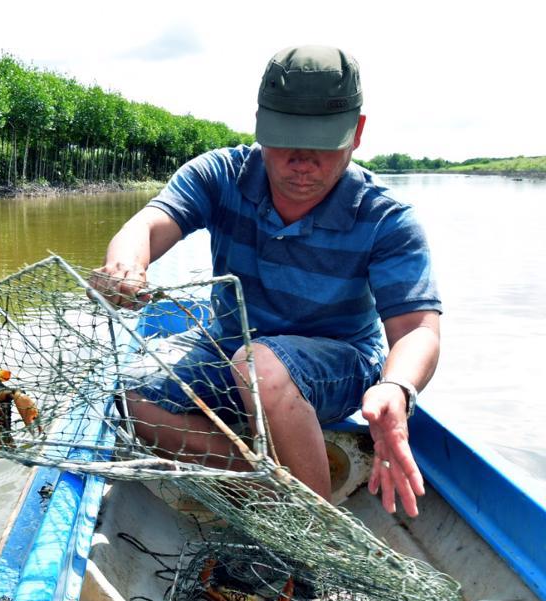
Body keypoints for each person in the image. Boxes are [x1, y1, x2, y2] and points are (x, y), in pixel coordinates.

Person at [89, 45, 441, 517]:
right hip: (231, 344)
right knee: (130, 396)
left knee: (261, 366)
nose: (301, 161)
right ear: (260, 126)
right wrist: (125, 267)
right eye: (286, 140)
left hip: (336, 363)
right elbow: (150, 224)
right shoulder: (221, 174)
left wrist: (396, 388)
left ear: (356, 133)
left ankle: (316, 533)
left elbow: (417, 328)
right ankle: (266, 477)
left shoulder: (386, 218)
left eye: (321, 144)